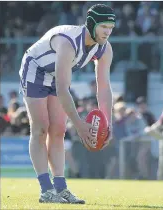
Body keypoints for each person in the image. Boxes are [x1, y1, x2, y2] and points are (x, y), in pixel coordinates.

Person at [18, 4, 115, 204]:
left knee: (59, 130)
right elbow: (63, 89)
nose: (107, 31)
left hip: (57, 76)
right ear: (91, 24)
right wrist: (79, 125)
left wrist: (108, 123)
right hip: (35, 71)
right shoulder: (68, 42)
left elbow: (104, 87)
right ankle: (46, 190)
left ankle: (61, 189)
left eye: (111, 27)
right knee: (41, 129)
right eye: (103, 26)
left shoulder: (105, 48)